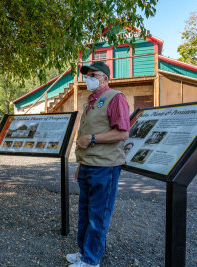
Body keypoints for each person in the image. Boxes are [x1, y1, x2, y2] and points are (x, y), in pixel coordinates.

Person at [66, 61, 130, 267]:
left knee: (98, 216)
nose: (89, 78)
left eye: (94, 75)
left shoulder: (115, 97)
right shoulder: (90, 102)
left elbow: (122, 132)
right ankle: (84, 252)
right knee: (85, 212)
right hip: (88, 165)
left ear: (105, 78)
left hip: (105, 167)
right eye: (87, 75)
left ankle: (91, 261)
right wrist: (80, 163)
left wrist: (92, 138)